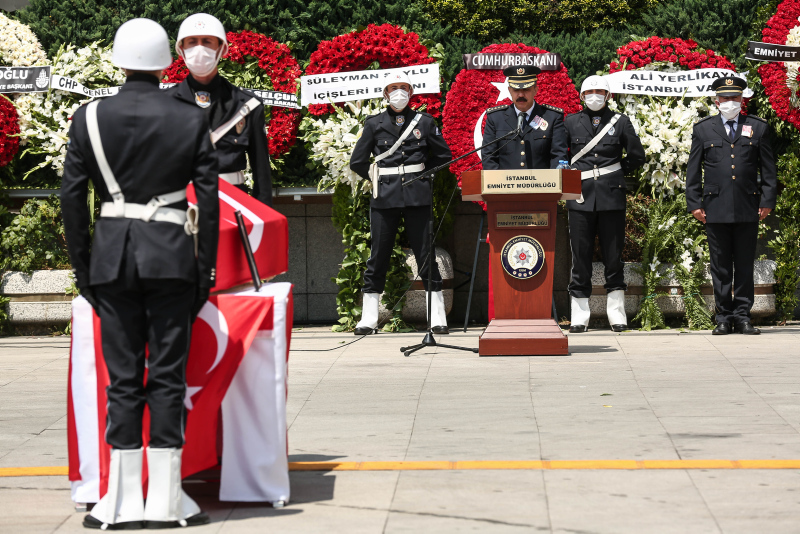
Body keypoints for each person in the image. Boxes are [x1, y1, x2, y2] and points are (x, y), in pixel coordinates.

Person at [61, 18, 219, 529]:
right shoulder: (189, 117)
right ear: (165, 62)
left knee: (123, 379)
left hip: (111, 259)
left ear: (117, 58)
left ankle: (120, 503)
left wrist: (85, 267)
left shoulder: (87, 118)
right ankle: (167, 501)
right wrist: (204, 270)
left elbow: (71, 201)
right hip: (172, 258)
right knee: (168, 377)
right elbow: (209, 203)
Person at [349, 73, 453, 335]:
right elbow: (358, 161)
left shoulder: (425, 122)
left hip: (417, 195)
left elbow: (443, 156)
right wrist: (375, 177)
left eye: (403, 88)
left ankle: (437, 316)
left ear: (411, 91)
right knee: (379, 255)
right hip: (385, 196)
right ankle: (369, 318)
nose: (399, 93)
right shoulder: (374, 123)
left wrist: (423, 174)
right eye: (393, 88)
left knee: (425, 254)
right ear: (385, 94)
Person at [686, 77, 777, 335]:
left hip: (749, 206)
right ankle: (723, 317)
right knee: (721, 265)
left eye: (734, 98)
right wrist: (694, 203)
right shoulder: (703, 129)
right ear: (716, 101)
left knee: (745, 264)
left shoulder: (757, 127)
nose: (730, 103)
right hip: (715, 207)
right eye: (725, 99)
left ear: (742, 100)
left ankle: (743, 316)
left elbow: (768, 169)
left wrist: (767, 200)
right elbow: (693, 171)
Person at [564, 75, 645, 333]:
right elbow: (562, 155)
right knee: (580, 257)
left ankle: (616, 314)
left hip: (612, 196)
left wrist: (616, 176)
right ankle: (579, 315)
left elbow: (636, 156)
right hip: (580, 197)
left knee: (613, 257)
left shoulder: (620, 122)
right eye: (590, 91)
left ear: (608, 95)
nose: (595, 95)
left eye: (600, 91)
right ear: (582, 95)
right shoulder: (570, 122)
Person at [169, 13, 273, 205]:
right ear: (181, 50)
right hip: (180, 207)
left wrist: (263, 222)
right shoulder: (164, 104)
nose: (199, 48)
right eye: (192, 42)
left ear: (222, 48)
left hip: (233, 204)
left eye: (207, 41)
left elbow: (261, 172)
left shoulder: (247, 105)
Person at [481, 65, 568, 172]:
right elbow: (488, 157)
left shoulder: (552, 117)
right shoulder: (495, 118)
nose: (521, 94)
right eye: (516, 90)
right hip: (506, 186)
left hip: (542, 186)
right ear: (509, 91)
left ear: (535, 90)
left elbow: (558, 155)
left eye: (526, 89)